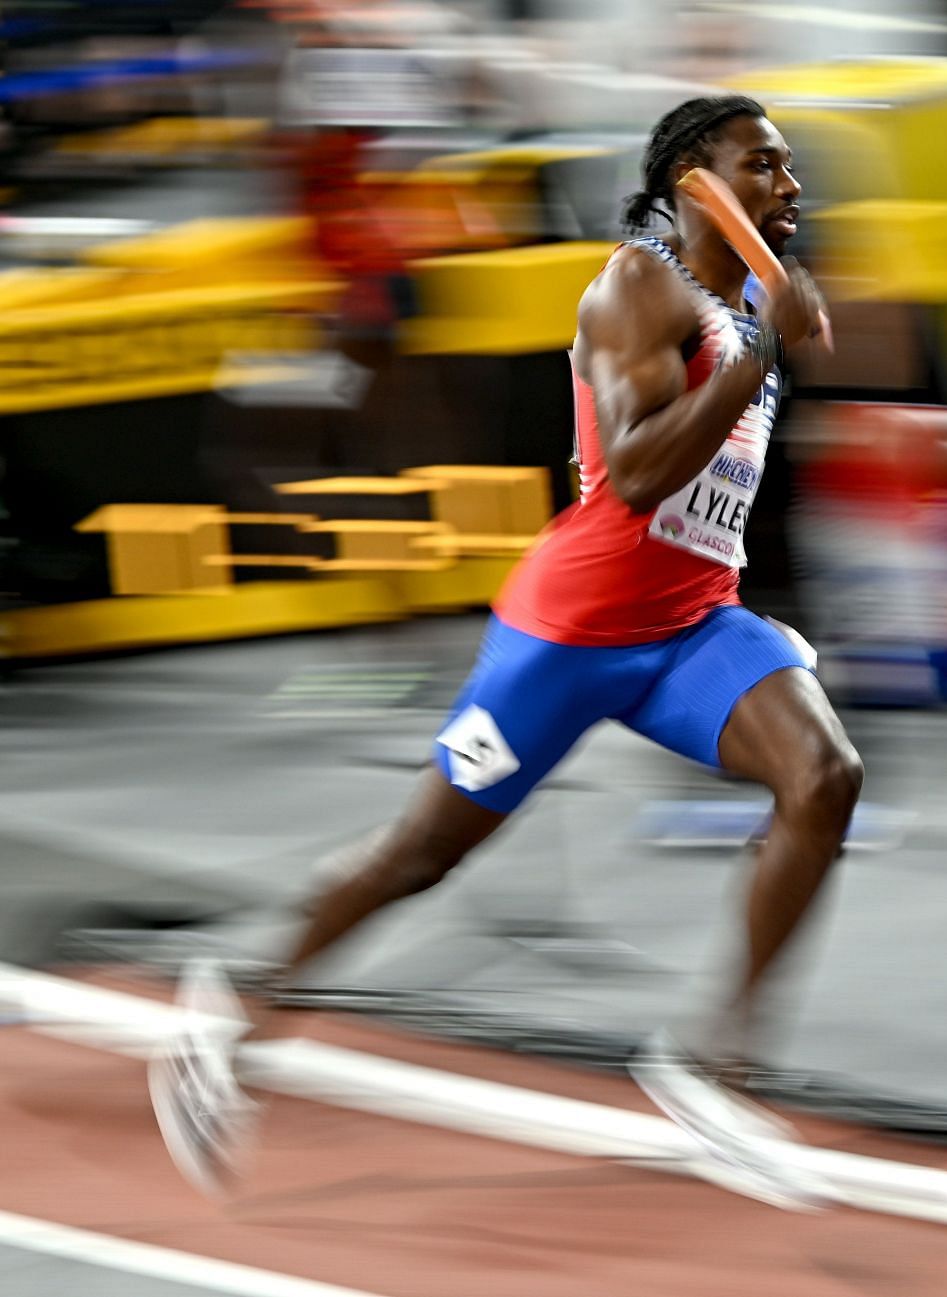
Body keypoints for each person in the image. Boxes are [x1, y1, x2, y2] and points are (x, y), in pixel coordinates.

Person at [150, 94, 859, 1207]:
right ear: (695, 182)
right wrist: (760, 349)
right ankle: (233, 1004)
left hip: (687, 627)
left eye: (790, 166)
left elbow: (721, 496)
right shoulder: (638, 287)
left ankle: (713, 1073)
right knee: (423, 854)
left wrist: (768, 615)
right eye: (763, 165)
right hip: (567, 637)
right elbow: (633, 476)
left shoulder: (739, 306)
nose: (792, 185)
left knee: (825, 777)